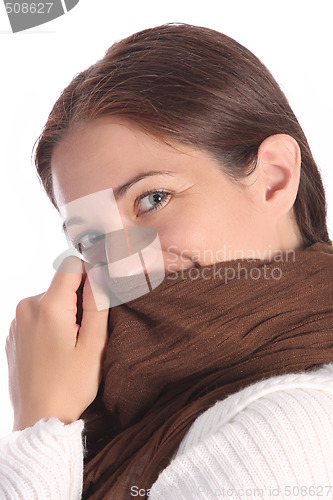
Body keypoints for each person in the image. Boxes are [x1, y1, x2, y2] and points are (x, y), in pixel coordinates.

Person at [1, 22, 333, 500]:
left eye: (152, 199)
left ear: (274, 179)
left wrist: (39, 428)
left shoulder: (292, 430)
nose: (126, 267)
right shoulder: (135, 416)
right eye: (92, 239)